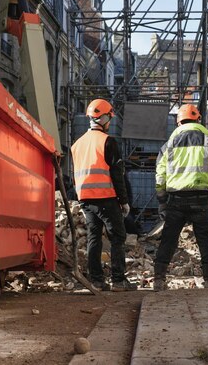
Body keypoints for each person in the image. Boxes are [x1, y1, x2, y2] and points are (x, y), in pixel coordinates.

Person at [153, 104, 208, 291]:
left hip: (175, 198)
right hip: (201, 198)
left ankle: (159, 278)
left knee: (169, 238)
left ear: (178, 122)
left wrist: (162, 199)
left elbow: (160, 173)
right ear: (198, 119)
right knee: (205, 239)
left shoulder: (170, 143)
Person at [71, 98, 136, 292]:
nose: (110, 122)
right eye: (109, 118)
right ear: (104, 118)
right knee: (117, 237)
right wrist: (124, 201)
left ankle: (97, 281)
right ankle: (118, 280)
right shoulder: (108, 141)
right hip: (106, 197)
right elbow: (117, 174)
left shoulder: (77, 145)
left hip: (85, 198)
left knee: (94, 238)